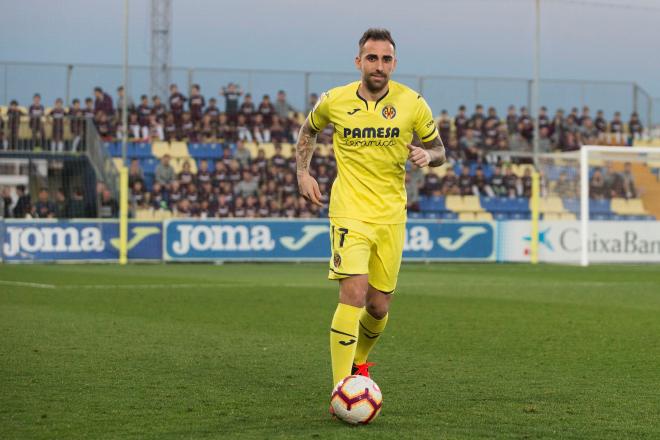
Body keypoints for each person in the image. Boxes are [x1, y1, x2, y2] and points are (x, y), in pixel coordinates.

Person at [295, 29, 446, 398]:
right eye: (372, 58)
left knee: (378, 306)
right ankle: (341, 388)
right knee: (354, 293)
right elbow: (309, 130)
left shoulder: (412, 103)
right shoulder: (335, 100)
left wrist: (429, 157)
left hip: (391, 215)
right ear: (359, 61)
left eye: (386, 59)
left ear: (394, 63)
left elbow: (439, 148)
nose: (379, 65)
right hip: (349, 210)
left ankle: (359, 363)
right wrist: (303, 171)